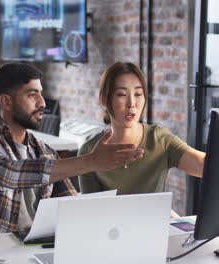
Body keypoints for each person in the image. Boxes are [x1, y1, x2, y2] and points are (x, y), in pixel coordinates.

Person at [0, 63, 144, 235]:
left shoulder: (45, 151)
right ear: (6, 102)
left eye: (41, 93)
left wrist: (125, 219)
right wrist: (91, 161)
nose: (42, 103)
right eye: (32, 94)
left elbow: (71, 207)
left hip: (33, 250)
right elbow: (9, 173)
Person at [78, 62, 205, 199]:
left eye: (138, 94)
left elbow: (203, 166)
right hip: (110, 221)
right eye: (121, 94)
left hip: (155, 220)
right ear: (104, 99)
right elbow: (93, 212)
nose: (131, 103)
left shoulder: (160, 139)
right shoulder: (89, 151)